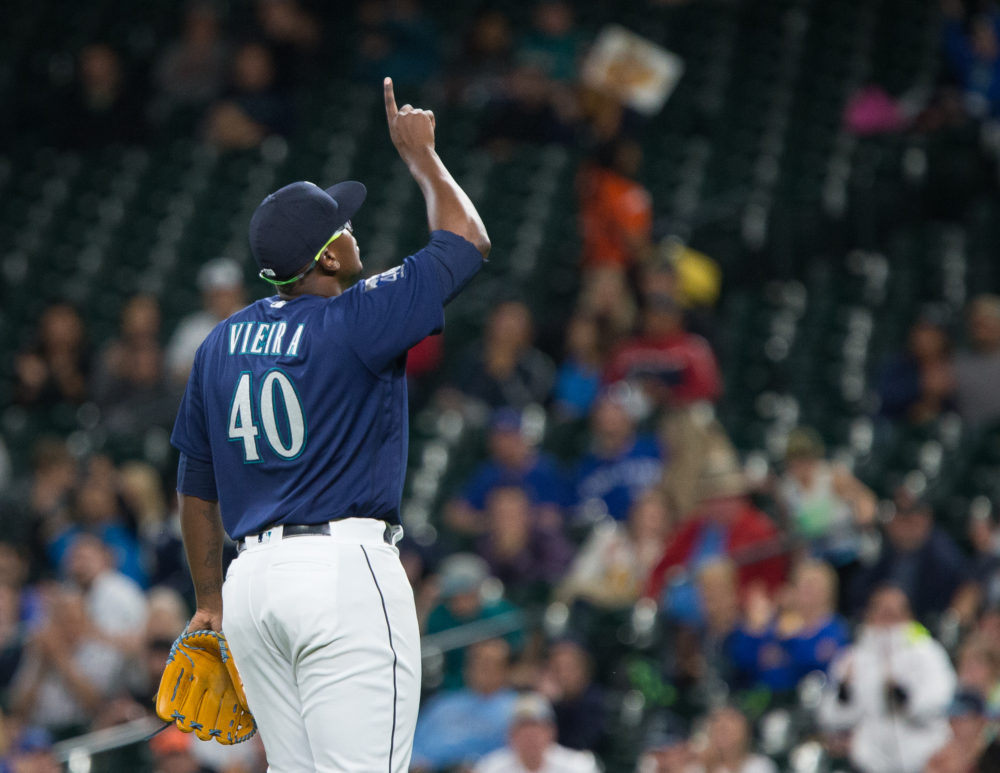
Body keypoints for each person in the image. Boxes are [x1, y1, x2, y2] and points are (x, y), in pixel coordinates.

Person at [168, 78, 489, 772]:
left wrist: (208, 602)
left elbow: (195, 490)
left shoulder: (218, 343)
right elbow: (468, 240)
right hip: (340, 572)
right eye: (343, 225)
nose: (354, 230)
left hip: (251, 586)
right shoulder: (356, 319)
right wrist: (423, 160)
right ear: (327, 258)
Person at [818, 585, 956, 773]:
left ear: (907, 614)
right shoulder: (852, 658)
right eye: (881, 611)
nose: (886, 619)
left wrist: (905, 698)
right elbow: (829, 715)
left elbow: (942, 700)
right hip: (869, 761)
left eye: (893, 613)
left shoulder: (927, 652)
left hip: (922, 757)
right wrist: (845, 694)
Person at [411, 638, 519, 772]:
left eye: (489, 664)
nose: (482, 669)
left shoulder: (517, 708)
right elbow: (413, 747)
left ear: (506, 669)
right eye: (476, 662)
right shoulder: (441, 704)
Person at [473, 692, 600, 773]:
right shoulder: (490, 768)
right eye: (523, 730)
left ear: (551, 731)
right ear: (510, 735)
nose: (530, 737)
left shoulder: (577, 766)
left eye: (536, 729)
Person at [954, 294, 1000, 427]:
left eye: (985, 323)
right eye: (975, 324)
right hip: (967, 437)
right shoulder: (956, 362)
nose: (979, 329)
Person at [686, 706, 777, 773]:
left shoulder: (760, 766)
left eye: (728, 731)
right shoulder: (696, 768)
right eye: (717, 730)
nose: (722, 737)